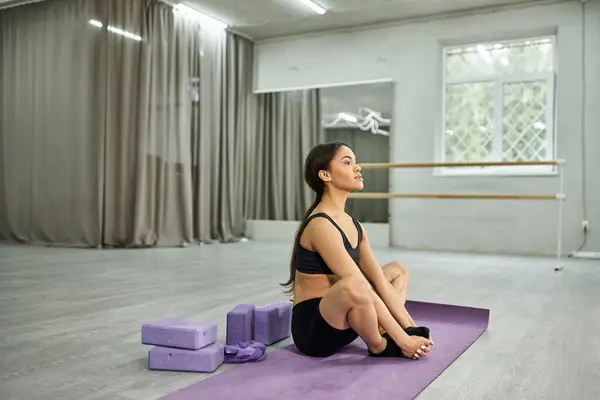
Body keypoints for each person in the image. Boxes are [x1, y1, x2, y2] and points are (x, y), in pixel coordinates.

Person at [281, 141, 433, 359]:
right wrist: (404, 341)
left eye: (356, 162)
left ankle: (384, 330)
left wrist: (412, 329)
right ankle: (379, 345)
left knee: (397, 271)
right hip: (315, 333)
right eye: (347, 162)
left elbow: (379, 281)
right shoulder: (320, 225)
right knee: (356, 283)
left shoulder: (354, 225)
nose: (357, 168)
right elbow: (359, 285)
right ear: (325, 175)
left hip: (349, 319)